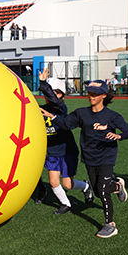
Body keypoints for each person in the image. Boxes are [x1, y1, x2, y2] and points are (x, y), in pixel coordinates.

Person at [41, 80, 128, 238]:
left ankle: (110, 224)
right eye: (89, 93)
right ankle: (117, 186)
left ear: (103, 96)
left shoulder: (112, 116)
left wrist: (118, 136)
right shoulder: (81, 113)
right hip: (89, 157)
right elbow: (66, 125)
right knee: (97, 191)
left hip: (107, 156)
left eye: (95, 94)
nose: (91, 97)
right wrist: (52, 116)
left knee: (103, 191)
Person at [34, 68, 92, 213]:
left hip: (66, 151)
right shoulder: (39, 108)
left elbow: (53, 100)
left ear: (60, 95)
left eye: (55, 92)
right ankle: (66, 204)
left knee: (67, 184)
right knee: (54, 182)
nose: (51, 95)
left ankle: (86, 186)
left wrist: (43, 83)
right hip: (51, 152)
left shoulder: (61, 108)